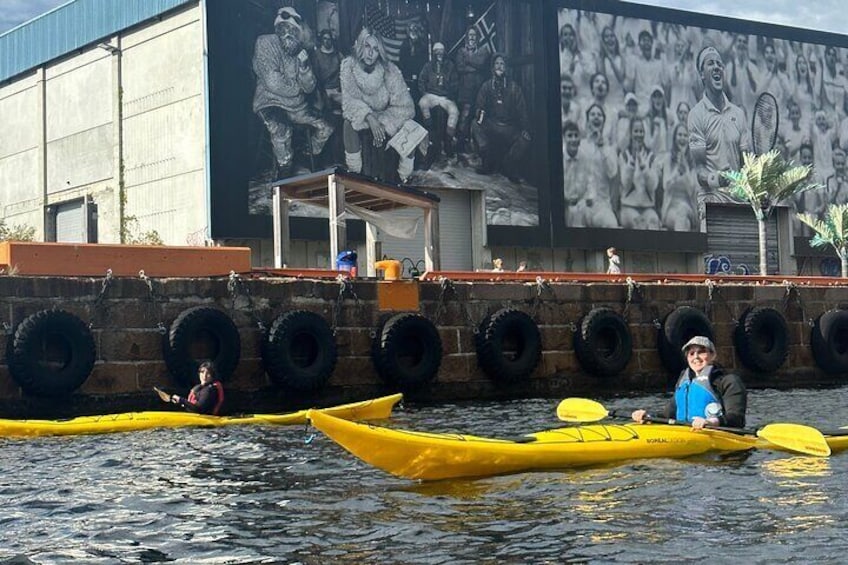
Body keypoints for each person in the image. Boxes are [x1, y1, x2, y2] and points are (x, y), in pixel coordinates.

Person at [252, 7, 334, 177]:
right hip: (270, 102)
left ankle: (307, 157)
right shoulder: (265, 42)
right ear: (277, 28)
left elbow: (310, 86)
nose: (289, 33)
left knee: (327, 127)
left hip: (297, 108)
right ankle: (285, 171)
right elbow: (273, 82)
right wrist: (298, 90)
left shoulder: (299, 50)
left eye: (293, 30)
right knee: (282, 129)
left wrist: (304, 67)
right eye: (284, 28)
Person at [340, 28, 417, 183]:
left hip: (386, 117)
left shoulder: (390, 70)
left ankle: (404, 176)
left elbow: (405, 106)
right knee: (347, 124)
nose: (371, 53)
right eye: (367, 46)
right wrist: (369, 117)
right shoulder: (348, 66)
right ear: (360, 46)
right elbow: (349, 101)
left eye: (375, 49)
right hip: (363, 118)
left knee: (412, 127)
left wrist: (382, 122)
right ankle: (354, 173)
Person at [631, 336, 747, 429]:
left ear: (713, 355)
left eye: (701, 352)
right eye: (691, 353)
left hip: (718, 435)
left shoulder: (729, 381)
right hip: (685, 434)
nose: (696, 357)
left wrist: (711, 422)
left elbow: (736, 419)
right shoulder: (683, 383)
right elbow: (667, 415)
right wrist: (648, 417)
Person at [688, 45, 751, 202]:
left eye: (719, 64)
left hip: (739, 199)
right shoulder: (696, 115)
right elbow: (700, 169)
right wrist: (716, 179)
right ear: (702, 74)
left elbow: (746, 163)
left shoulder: (739, 114)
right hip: (712, 199)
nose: (716, 67)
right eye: (710, 63)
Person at [472, 53, 531, 182]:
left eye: (502, 64)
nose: (499, 66)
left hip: (509, 128)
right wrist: (480, 114)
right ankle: (487, 162)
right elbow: (479, 104)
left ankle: (508, 165)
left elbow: (522, 111)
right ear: (493, 67)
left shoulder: (514, 88)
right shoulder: (487, 86)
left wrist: (526, 128)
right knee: (475, 125)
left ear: (506, 68)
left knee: (526, 139)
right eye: (497, 63)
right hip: (492, 124)